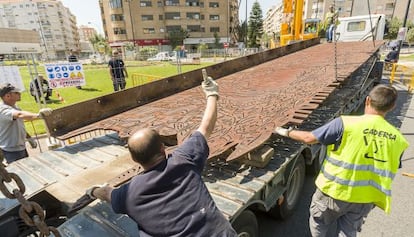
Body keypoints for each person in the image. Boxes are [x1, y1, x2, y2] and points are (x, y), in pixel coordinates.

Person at [86, 76, 237, 236]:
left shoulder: (129, 193)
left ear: (134, 159)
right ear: (163, 148)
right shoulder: (184, 159)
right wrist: (212, 94)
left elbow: (106, 193)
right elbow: (206, 127)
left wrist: (92, 191)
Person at [274, 84, 408, 237]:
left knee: (319, 224)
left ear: (368, 101)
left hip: (333, 192)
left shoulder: (345, 124)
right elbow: (389, 166)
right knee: (348, 232)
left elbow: (308, 138)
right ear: (392, 107)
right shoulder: (399, 140)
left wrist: (285, 131)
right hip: (364, 198)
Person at [0, 83, 53, 164]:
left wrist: (29, 138)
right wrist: (38, 116)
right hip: (11, 151)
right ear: (7, 96)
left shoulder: (15, 107)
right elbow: (19, 115)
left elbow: (19, 125)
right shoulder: (3, 110)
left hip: (20, 147)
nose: (20, 94)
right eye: (16, 93)